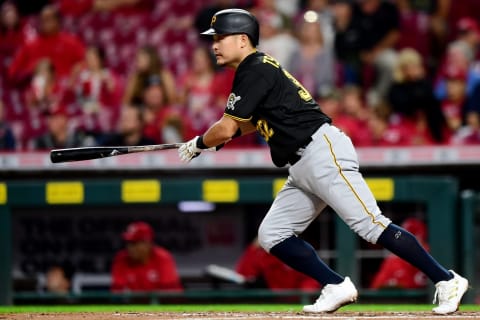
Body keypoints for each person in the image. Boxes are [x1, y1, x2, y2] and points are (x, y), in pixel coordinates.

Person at [178, 8, 468, 314]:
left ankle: (446, 279)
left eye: (220, 37)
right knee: (272, 234)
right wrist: (217, 139)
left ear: (242, 39)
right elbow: (248, 124)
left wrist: (199, 143)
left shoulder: (254, 68)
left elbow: (226, 126)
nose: (214, 44)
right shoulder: (255, 69)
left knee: (371, 225)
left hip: (320, 151)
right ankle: (335, 285)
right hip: (302, 163)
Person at [8, 5, 86, 86]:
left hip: (63, 89)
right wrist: (30, 73)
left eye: (48, 19)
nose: (44, 23)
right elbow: (13, 71)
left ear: (57, 21)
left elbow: (87, 63)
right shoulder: (30, 44)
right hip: (35, 90)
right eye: (42, 20)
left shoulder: (71, 42)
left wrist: (76, 72)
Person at [111, 221, 182, 292]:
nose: (130, 248)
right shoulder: (121, 259)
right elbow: (117, 291)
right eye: (128, 243)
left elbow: (170, 292)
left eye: (134, 243)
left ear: (148, 243)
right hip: (133, 303)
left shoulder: (162, 257)